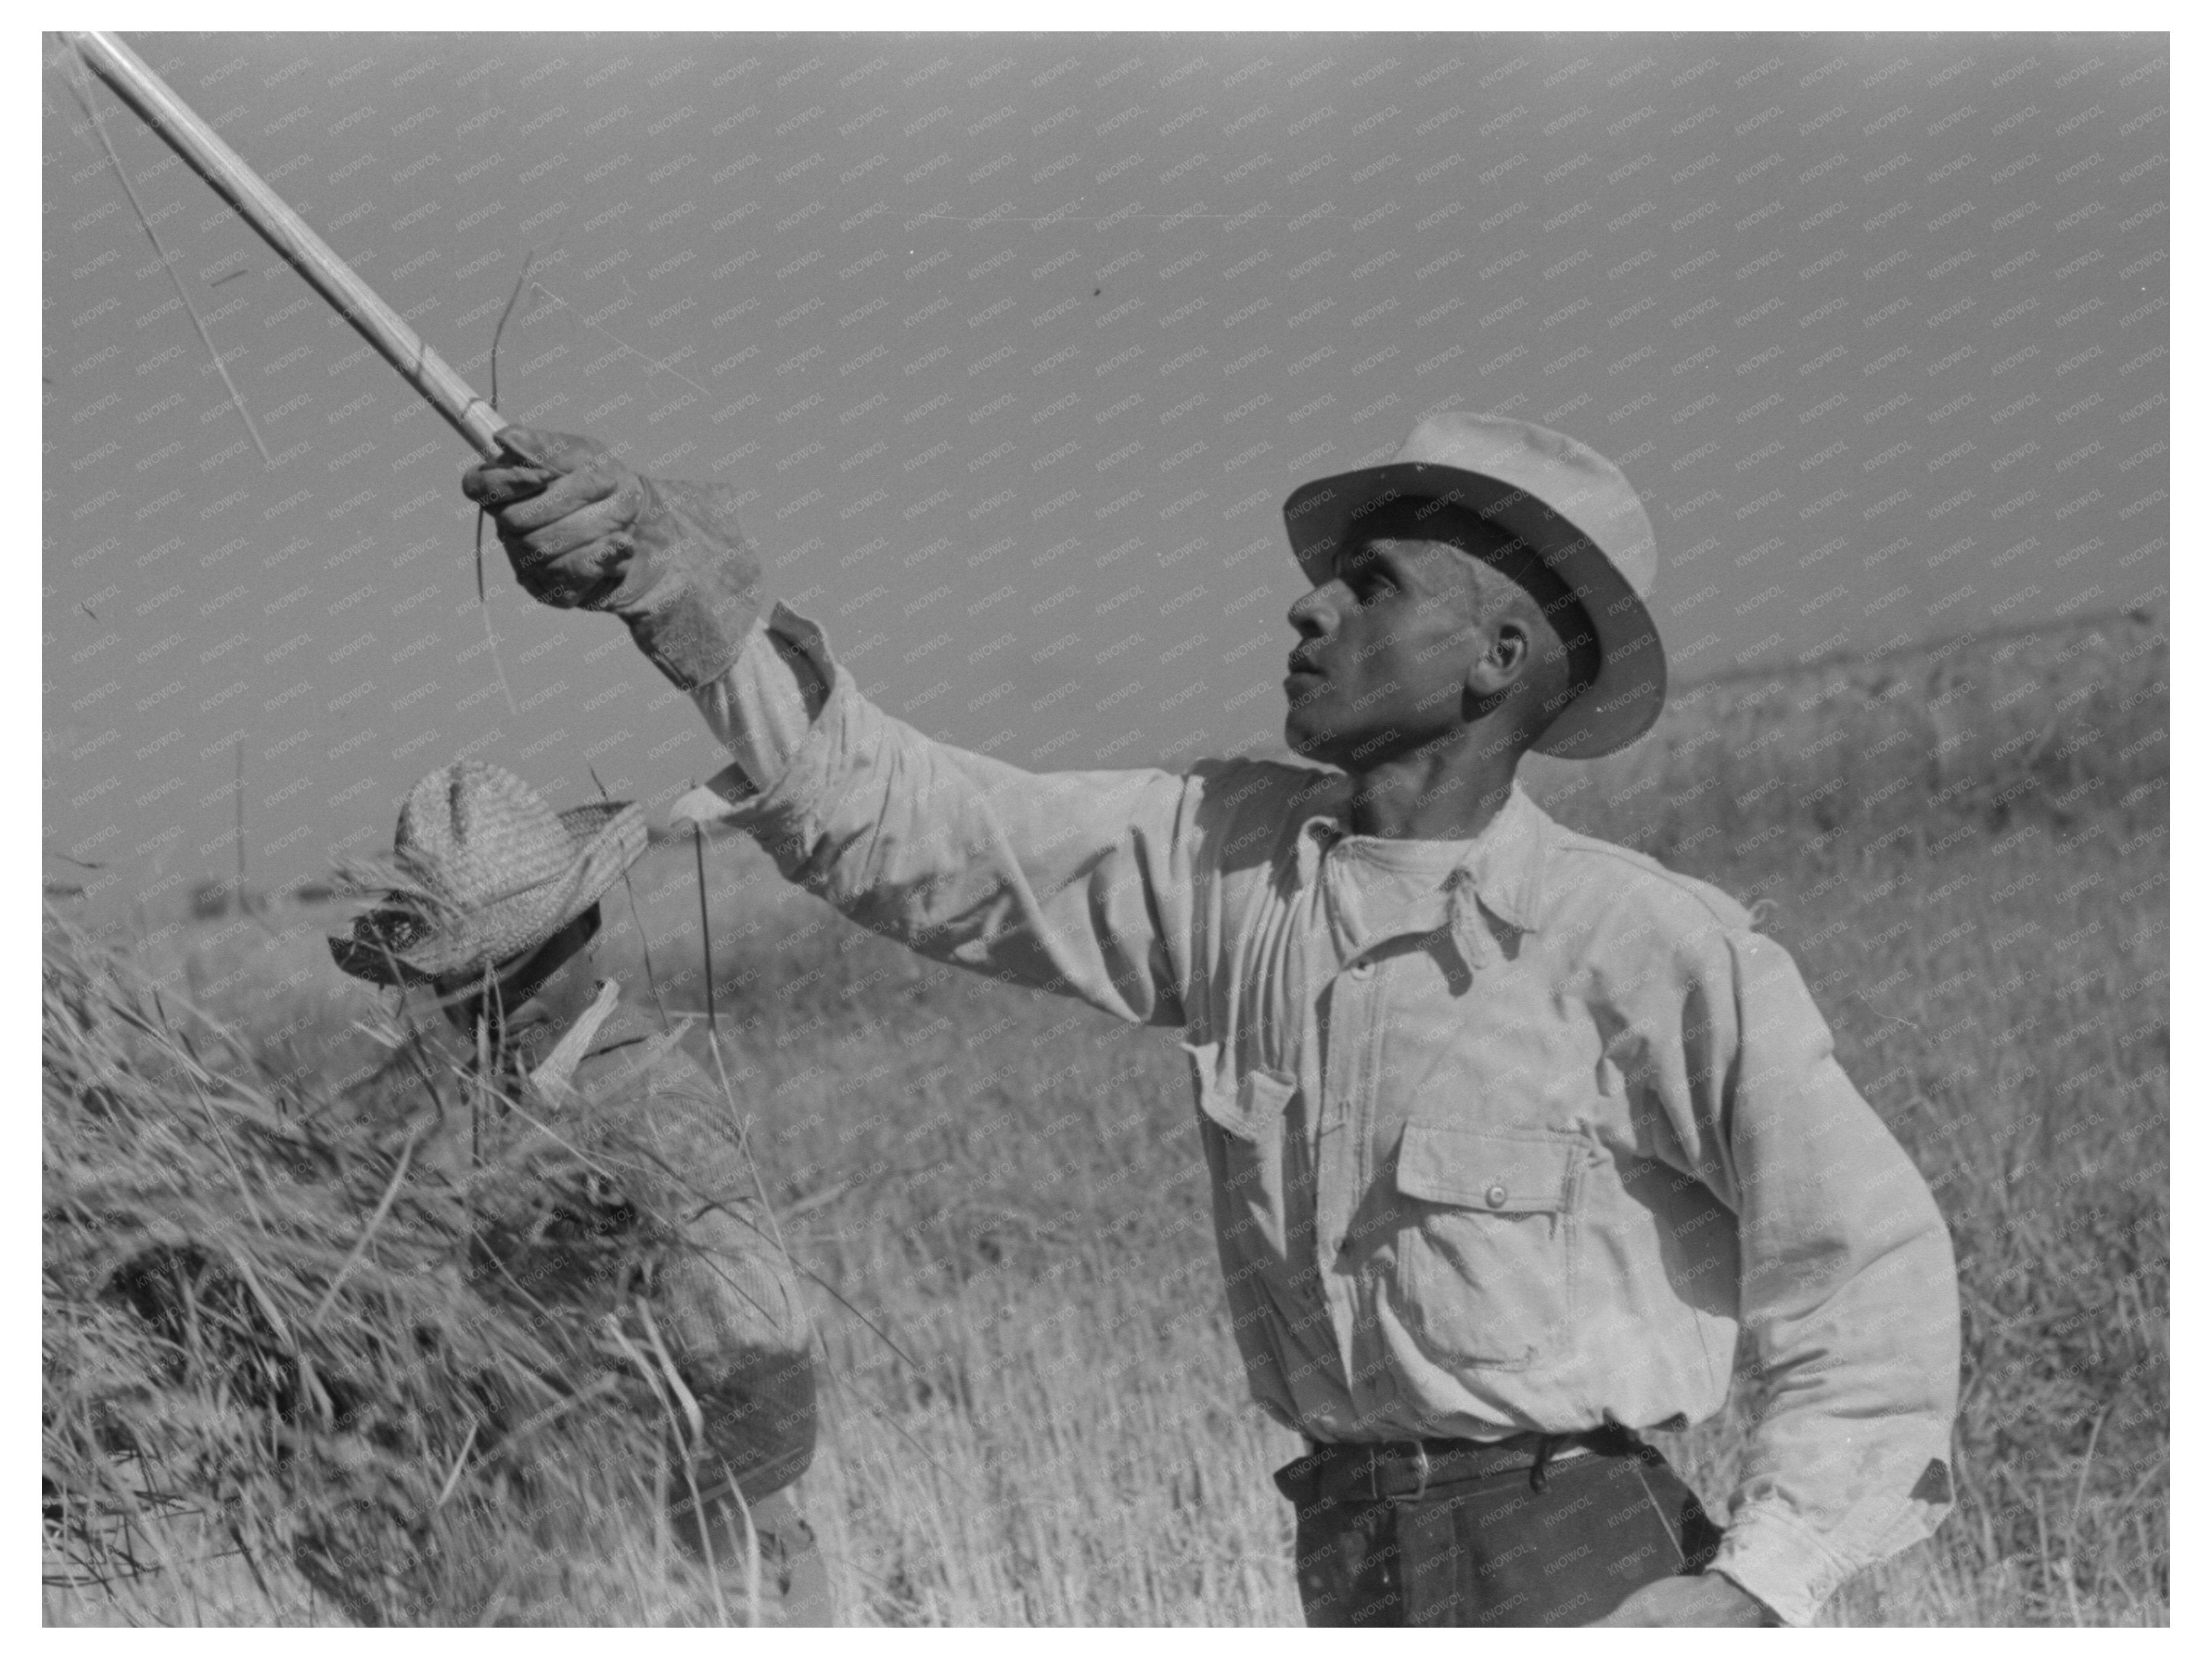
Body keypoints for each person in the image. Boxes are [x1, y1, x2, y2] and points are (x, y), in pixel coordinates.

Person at [462, 410, 1963, 1627]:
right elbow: (913, 830)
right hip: (1351, 1556)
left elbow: (1873, 1275)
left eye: (1372, 583)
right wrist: (692, 603)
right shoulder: (1224, 869)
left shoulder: (1643, 948)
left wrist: (1752, 1595)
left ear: (1496, 663)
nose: (1308, 601)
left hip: (1580, 1560)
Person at [328, 759, 829, 1623]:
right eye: (457, 976)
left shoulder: (647, 1103)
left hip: (700, 1572)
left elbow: (762, 1355)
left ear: (587, 927)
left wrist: (671, 1544)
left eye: (514, 964)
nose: (487, 999)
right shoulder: (510, 1110)